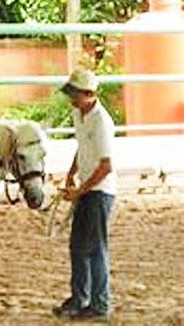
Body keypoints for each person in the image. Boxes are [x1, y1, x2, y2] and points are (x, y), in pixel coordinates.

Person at [52, 68, 117, 321]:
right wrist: (71, 174)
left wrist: (80, 189)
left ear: (89, 94)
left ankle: (97, 303)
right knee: (79, 246)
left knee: (93, 248)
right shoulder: (80, 114)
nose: (72, 99)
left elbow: (106, 165)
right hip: (90, 190)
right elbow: (82, 149)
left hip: (100, 192)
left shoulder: (101, 121)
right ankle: (81, 298)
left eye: (75, 94)